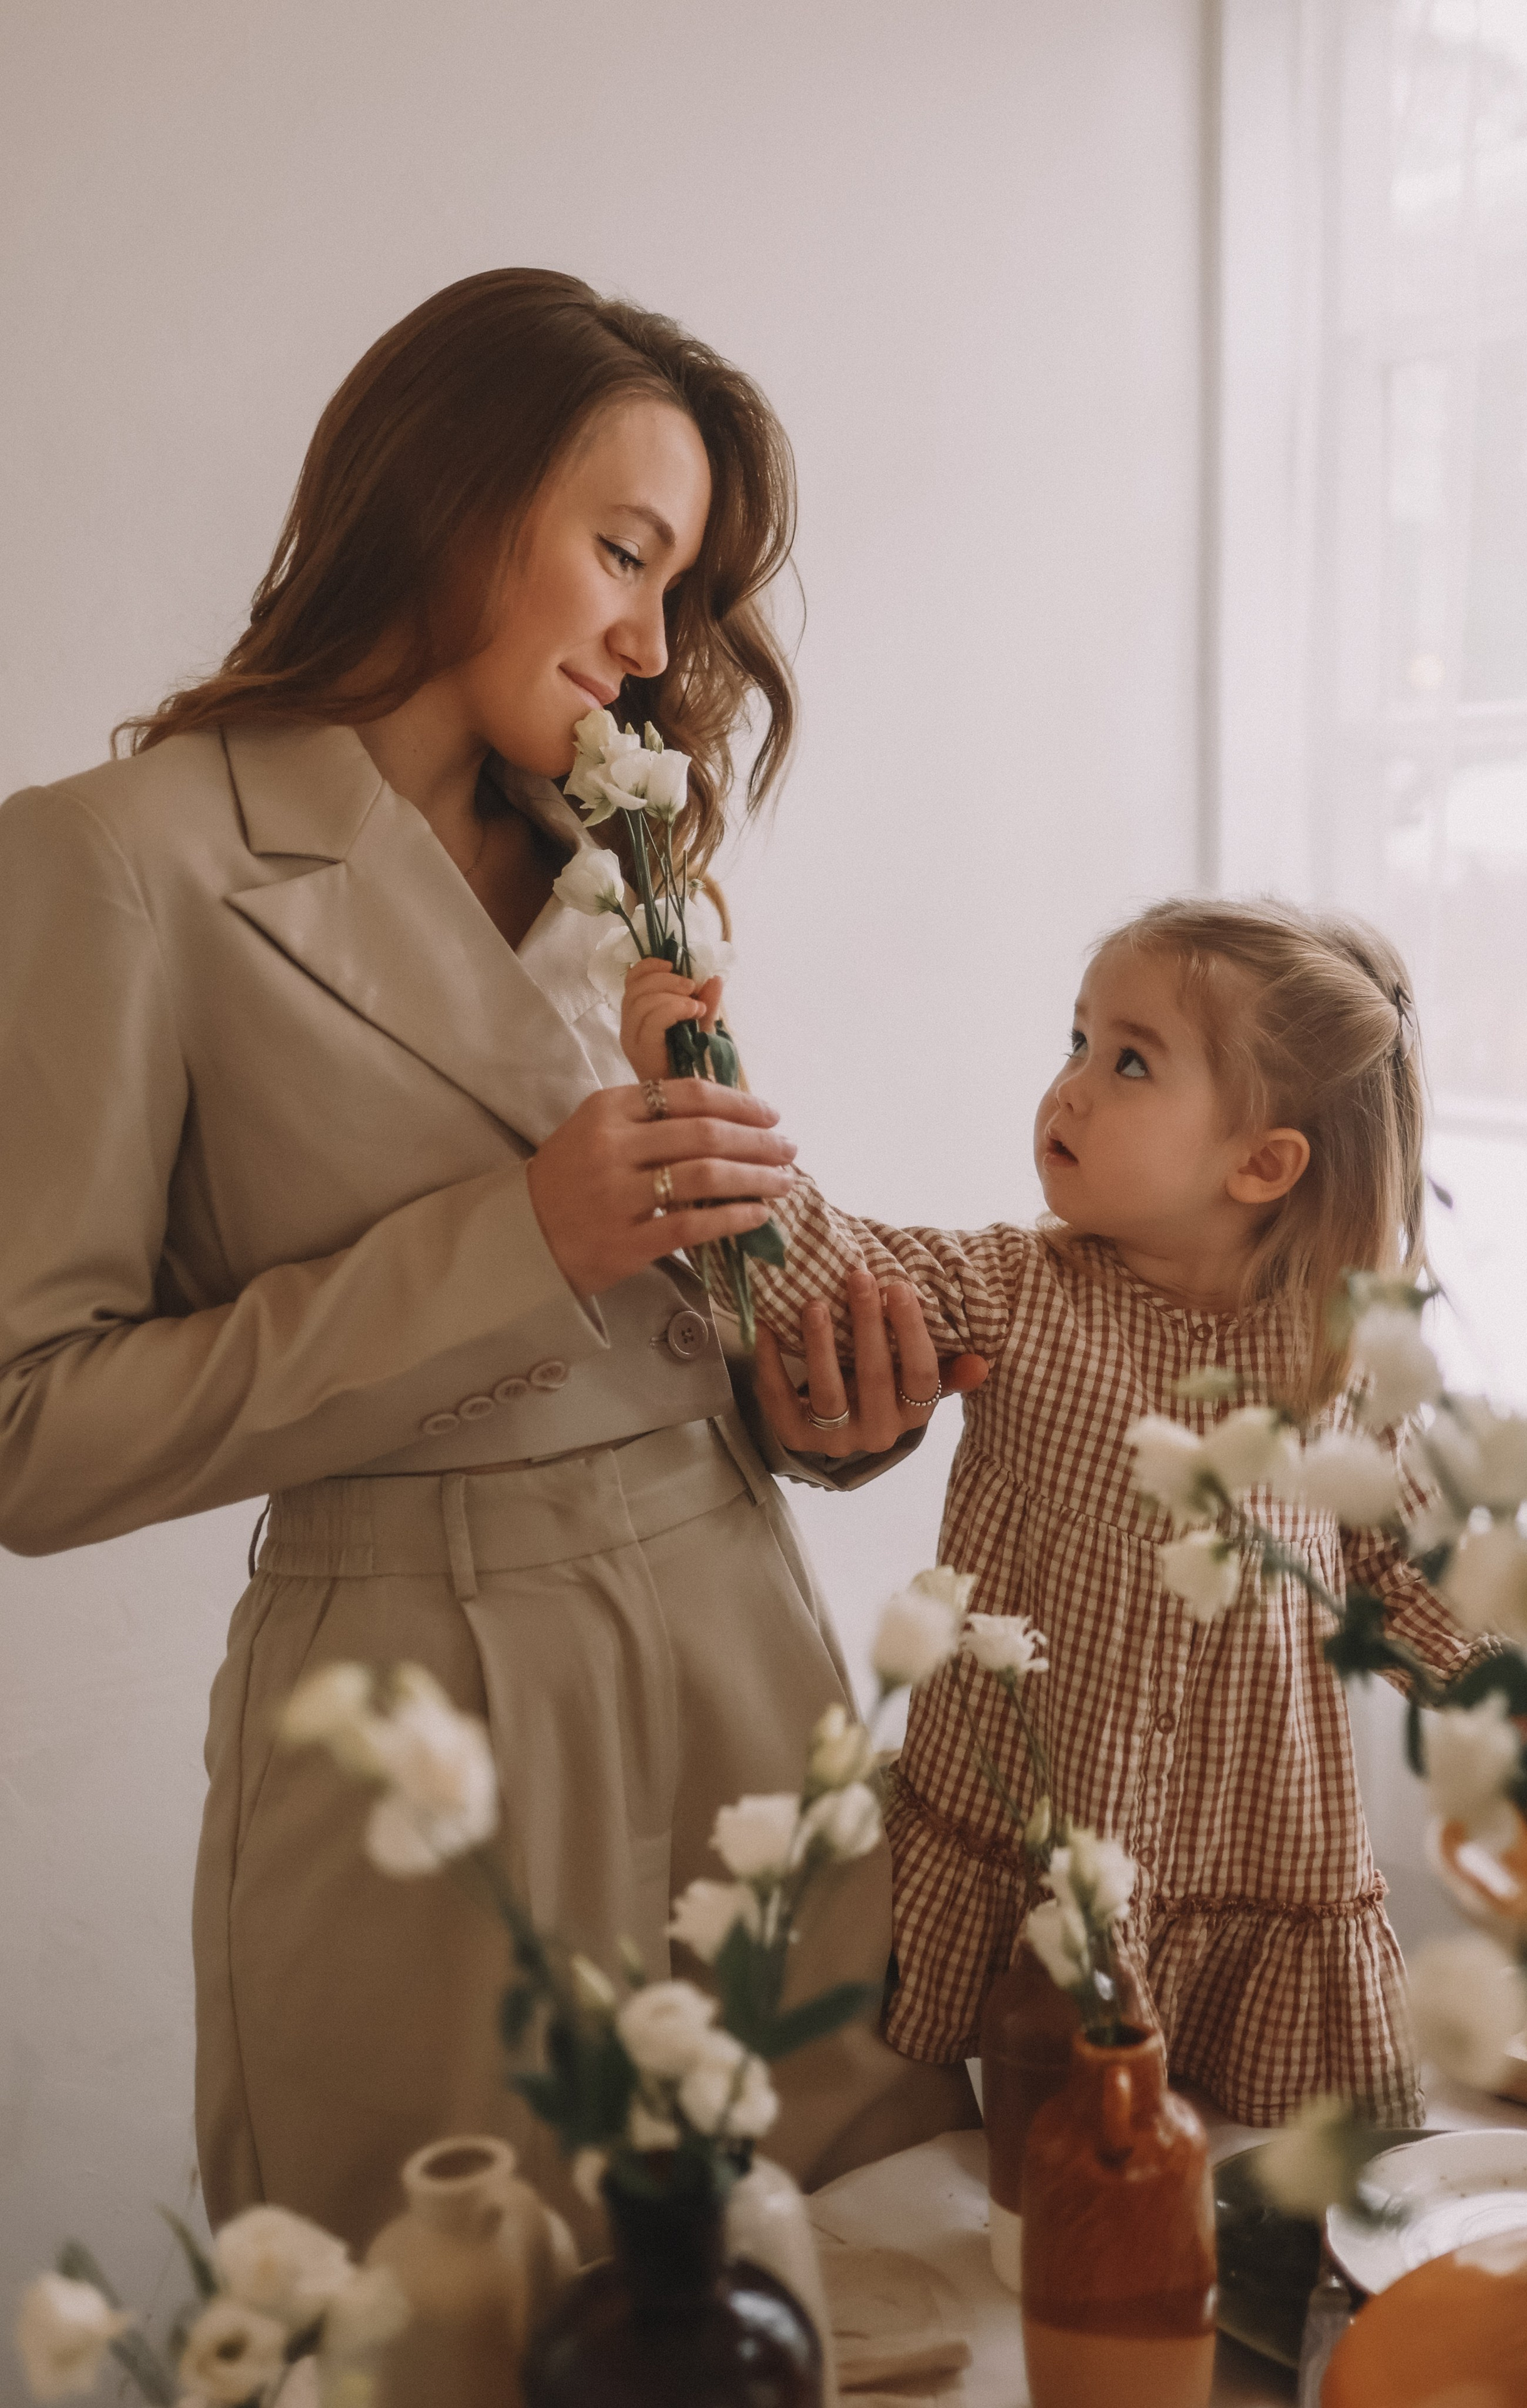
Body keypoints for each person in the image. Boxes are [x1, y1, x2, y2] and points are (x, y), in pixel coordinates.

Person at [0, 268, 980, 2250]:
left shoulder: (640, 861)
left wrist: (809, 1400)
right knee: (445, 2321)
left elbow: (677, 1286)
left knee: (864, 2280)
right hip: (407, 1713)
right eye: (625, 549)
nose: (652, 633)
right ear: (452, 498)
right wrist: (513, 1242)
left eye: (682, 586)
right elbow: (32, 1433)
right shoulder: (115, 857)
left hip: (737, 1642)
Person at [621, 896, 1490, 2127]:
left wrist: (1526, 1716)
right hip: (1044, 1852)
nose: (1069, 1088)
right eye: (1073, 1041)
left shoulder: (1336, 1358)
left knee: (1254, 2203)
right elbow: (807, 1270)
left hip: (1259, 1870)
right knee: (1037, 2196)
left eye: (1126, 1059)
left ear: (1261, 1163)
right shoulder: (1016, 1290)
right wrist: (695, 1094)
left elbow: (1404, 1573)